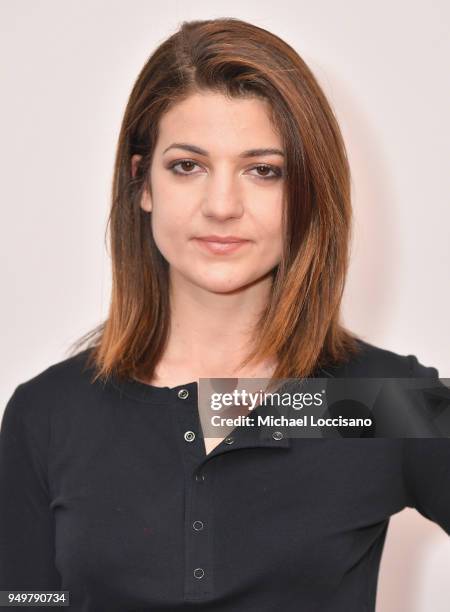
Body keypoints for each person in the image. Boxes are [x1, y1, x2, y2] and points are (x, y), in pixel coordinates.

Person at [0, 17, 448, 612]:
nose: (221, 206)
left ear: (308, 193)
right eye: (188, 165)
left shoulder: (371, 403)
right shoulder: (50, 413)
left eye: (264, 170)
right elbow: (25, 601)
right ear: (143, 182)